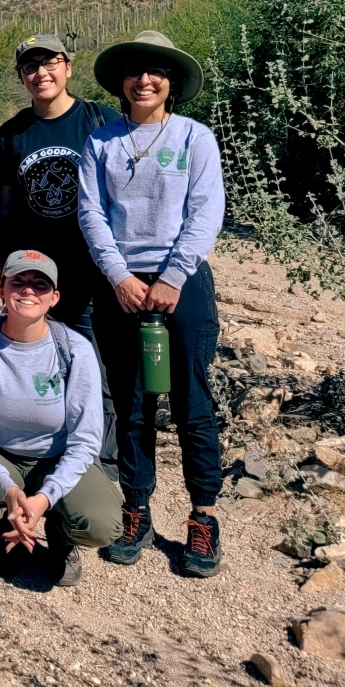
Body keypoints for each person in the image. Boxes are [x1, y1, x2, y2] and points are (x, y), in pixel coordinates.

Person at [77, 30, 226, 578]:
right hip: (120, 286)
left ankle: (203, 515)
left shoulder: (194, 137)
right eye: (135, 71)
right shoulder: (102, 142)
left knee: (191, 400)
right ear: (122, 82)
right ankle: (136, 509)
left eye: (156, 72)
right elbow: (92, 214)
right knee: (133, 402)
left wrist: (174, 275)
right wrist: (118, 275)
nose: (145, 80)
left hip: (181, 286)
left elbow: (206, 211)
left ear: (172, 84)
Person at [0, 251, 122, 587]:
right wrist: (5, 486)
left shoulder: (75, 349)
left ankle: (60, 537)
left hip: (57, 458)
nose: (28, 291)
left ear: (54, 298)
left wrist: (46, 496)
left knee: (102, 523)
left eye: (40, 285)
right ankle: (2, 533)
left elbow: (86, 438)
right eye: (18, 281)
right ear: (1, 290)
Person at [0, 34, 121, 474]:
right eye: (30, 67)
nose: (40, 73)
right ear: (21, 77)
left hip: (91, 267)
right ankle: (41, 450)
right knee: (41, 363)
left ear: (67, 66)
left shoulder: (99, 119)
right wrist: (7, 269)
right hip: (35, 274)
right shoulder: (12, 134)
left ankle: (100, 463)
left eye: (49, 63)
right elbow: (5, 209)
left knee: (91, 365)